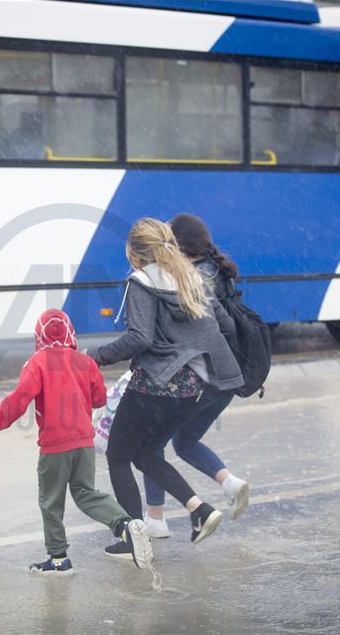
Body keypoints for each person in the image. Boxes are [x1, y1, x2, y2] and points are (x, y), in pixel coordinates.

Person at [86, 218, 245, 557]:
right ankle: (200, 510)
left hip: (153, 387)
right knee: (145, 454)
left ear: (134, 253)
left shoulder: (141, 282)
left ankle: (134, 538)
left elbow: (139, 338)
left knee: (117, 456)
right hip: (191, 391)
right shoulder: (192, 278)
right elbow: (225, 326)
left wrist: (94, 356)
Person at [0, 308, 152, 574]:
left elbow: (17, 403)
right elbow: (99, 399)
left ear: (39, 334)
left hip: (54, 445)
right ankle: (124, 525)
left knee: (51, 501)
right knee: (86, 492)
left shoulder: (37, 363)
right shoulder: (85, 362)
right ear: (70, 332)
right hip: (84, 442)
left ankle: (59, 560)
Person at [141, 213, 250, 539]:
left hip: (203, 377)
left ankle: (156, 521)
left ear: (178, 247)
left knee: (151, 444)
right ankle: (230, 483)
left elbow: (205, 330)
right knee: (185, 441)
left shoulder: (192, 279)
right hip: (229, 380)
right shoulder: (218, 270)